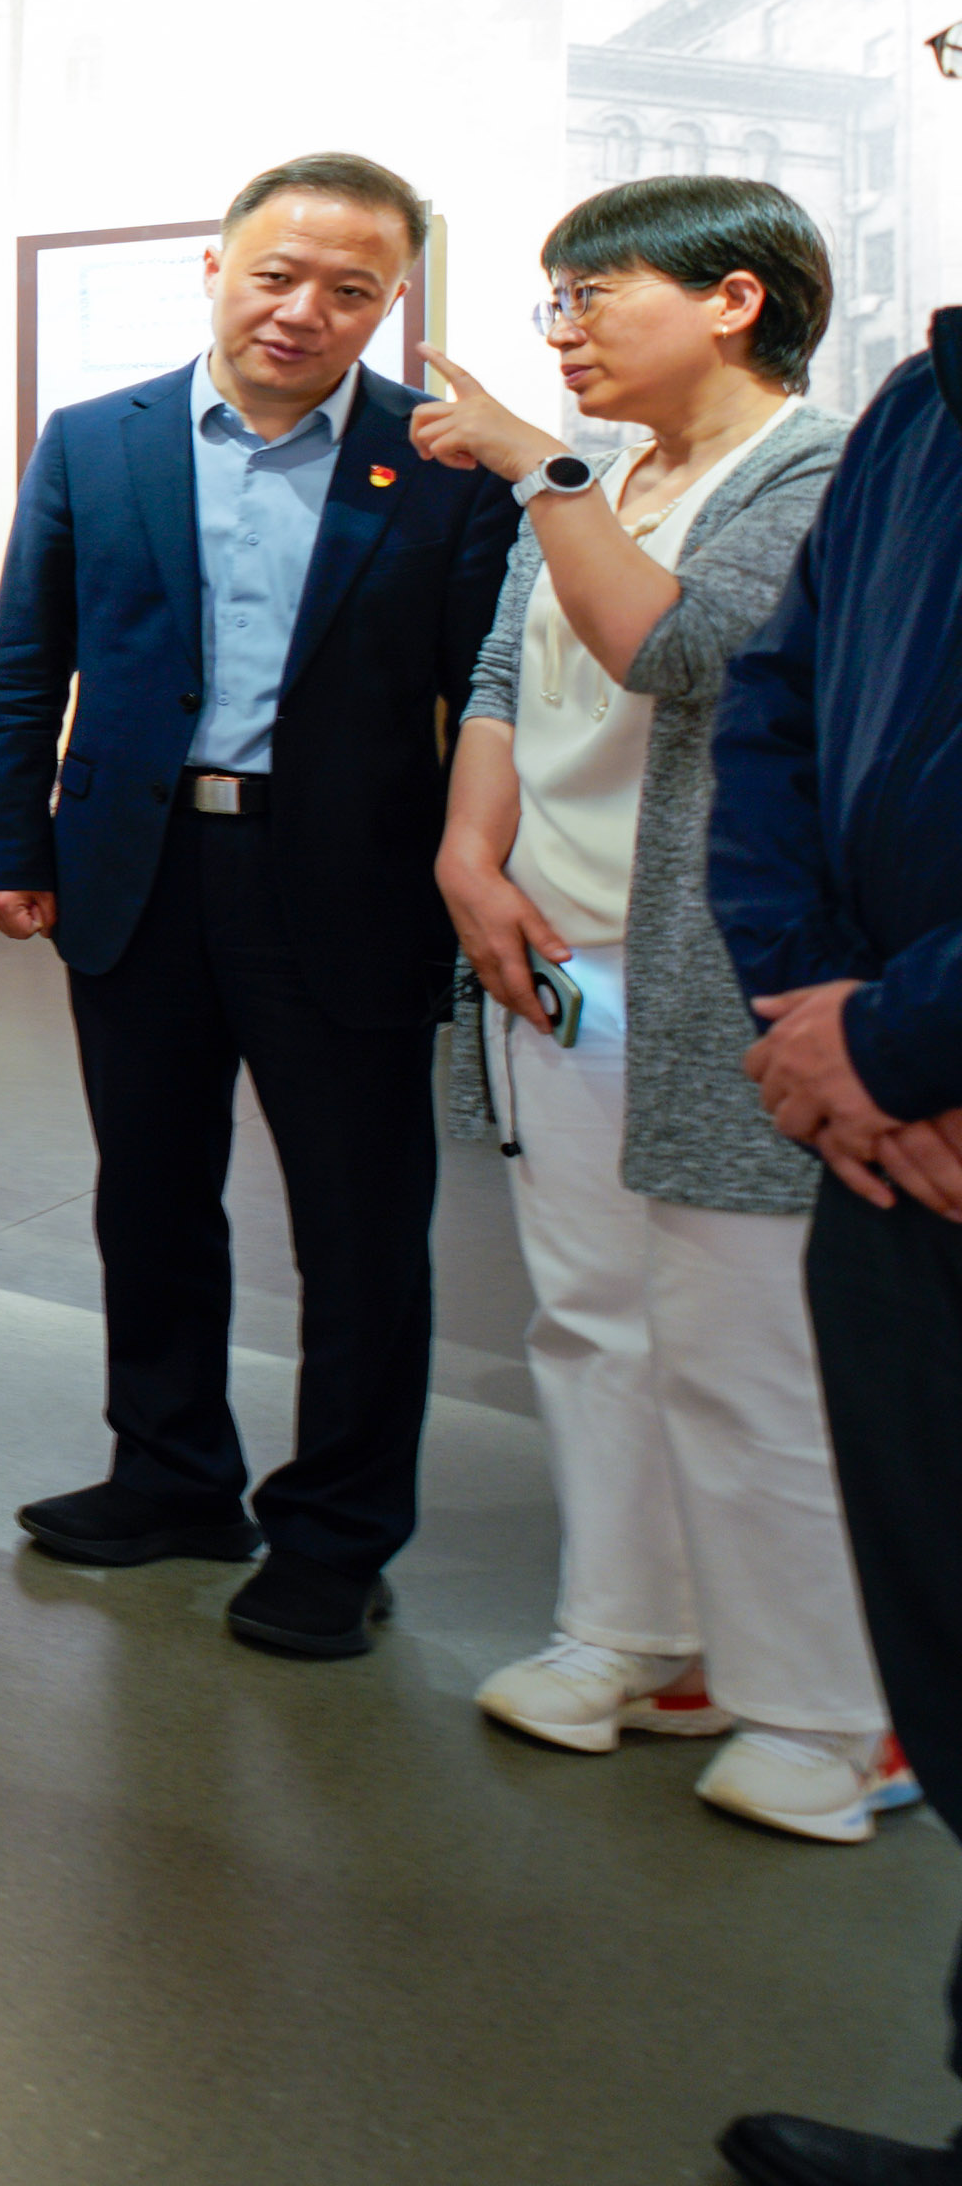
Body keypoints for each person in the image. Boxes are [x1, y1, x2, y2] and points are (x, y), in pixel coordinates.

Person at [0, 152, 514, 1657]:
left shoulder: (439, 463)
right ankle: (170, 1475)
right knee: (148, 1193)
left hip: (348, 880)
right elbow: (27, 656)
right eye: (276, 274)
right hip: (139, 872)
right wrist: (11, 842)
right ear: (214, 268)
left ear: (389, 303)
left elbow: (489, 692)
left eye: (350, 289)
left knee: (359, 1226)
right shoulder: (100, 439)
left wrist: (482, 867)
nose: (302, 310)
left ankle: (337, 1534)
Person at [415, 179, 892, 1829]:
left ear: (735, 299)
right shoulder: (605, 476)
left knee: (747, 1347)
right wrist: (470, 856)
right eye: (553, 299)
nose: (563, 332)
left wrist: (535, 473)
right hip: (563, 961)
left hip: (718, 978)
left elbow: (678, 651)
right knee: (590, 1321)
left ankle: (829, 1715)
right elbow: (505, 672)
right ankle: (632, 1638)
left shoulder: (818, 473)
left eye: (594, 293)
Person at [705, 291, 962, 2186]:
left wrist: (903, 1039)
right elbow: (774, 711)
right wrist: (826, 1025)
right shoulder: (920, 410)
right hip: (893, 1153)